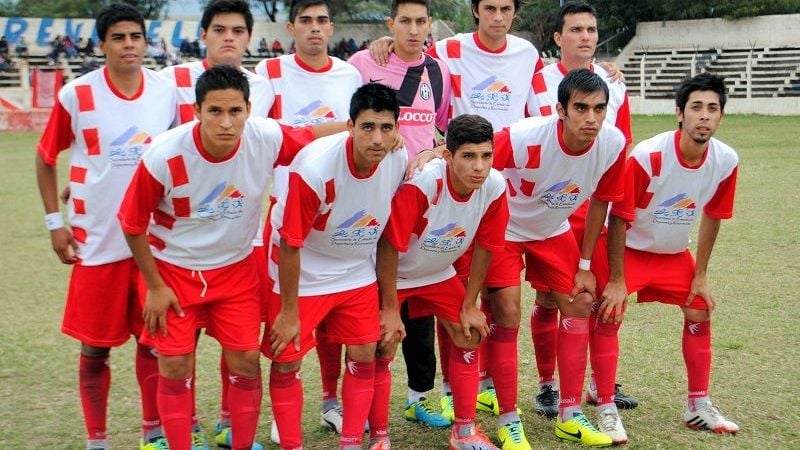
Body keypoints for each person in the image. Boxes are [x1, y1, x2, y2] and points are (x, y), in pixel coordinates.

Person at [118, 64, 341, 450]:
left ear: (248, 110)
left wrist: (364, 127)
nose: (226, 122)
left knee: (245, 364)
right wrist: (154, 286)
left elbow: (312, 135)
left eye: (235, 112)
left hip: (234, 272)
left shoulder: (265, 137)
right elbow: (132, 223)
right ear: (196, 112)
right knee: (174, 365)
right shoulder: (164, 154)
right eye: (215, 112)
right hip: (173, 272)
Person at [34, 4, 178, 450]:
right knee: (95, 348)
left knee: (153, 342)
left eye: (136, 36)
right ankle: (97, 440)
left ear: (145, 41)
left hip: (153, 243)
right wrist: (55, 223)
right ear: (102, 45)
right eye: (119, 37)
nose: (129, 45)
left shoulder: (165, 90)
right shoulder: (78, 94)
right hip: (97, 241)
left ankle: (152, 432)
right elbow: (44, 157)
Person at [264, 83, 407, 450]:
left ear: (397, 129)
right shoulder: (314, 169)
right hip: (304, 268)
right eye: (368, 127)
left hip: (354, 269)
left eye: (386, 128)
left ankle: (350, 443)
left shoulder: (398, 158)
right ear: (349, 126)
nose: (377, 138)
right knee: (286, 358)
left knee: (364, 353)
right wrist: (290, 311)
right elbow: (291, 243)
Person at [488, 68, 626, 448]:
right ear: (560, 110)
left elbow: (602, 200)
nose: (592, 118)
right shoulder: (524, 137)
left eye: (599, 109)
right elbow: (474, 163)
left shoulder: (612, 143)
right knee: (507, 313)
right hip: (506, 230)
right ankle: (508, 419)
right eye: (581, 108)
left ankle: (570, 413)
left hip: (553, 230)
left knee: (580, 302)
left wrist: (584, 266)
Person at [603, 73, 740, 439]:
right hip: (628, 248)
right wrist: (616, 280)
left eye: (713, 108)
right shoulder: (649, 156)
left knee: (700, 306)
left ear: (722, 116)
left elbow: (714, 215)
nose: (704, 116)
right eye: (696, 107)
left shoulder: (726, 160)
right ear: (680, 114)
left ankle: (697, 405)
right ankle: (604, 403)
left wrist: (702, 274)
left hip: (672, 253)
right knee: (607, 310)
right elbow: (618, 217)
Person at [525, 1, 638, 426]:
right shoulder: (537, 83)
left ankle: (597, 384)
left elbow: (621, 146)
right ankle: (547, 383)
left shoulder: (613, 83)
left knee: (598, 296)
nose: (585, 37)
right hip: (551, 209)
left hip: (596, 208)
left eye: (591, 29)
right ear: (558, 38)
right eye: (575, 30)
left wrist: (619, 208)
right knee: (548, 297)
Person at [254, 0, 362, 441]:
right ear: (291, 27)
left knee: (338, 318)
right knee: (287, 320)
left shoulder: (349, 75)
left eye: (321, 21)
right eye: (306, 21)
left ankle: (330, 402)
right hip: (286, 211)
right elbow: (256, 134)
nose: (315, 29)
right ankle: (284, 420)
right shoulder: (270, 72)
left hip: (338, 215)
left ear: (331, 27)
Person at [348, 0, 454, 431]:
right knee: (368, 301)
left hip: (416, 203)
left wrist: (429, 150)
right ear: (390, 24)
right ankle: (360, 403)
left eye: (421, 21)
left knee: (418, 301)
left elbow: (441, 127)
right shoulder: (362, 63)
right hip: (368, 200)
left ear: (430, 25)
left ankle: (416, 398)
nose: (413, 29)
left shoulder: (439, 71)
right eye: (404, 21)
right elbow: (348, 123)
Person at [375, 114, 508, 450]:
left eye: (486, 156)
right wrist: (390, 309)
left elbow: (487, 247)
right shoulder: (425, 183)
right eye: (468, 156)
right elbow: (388, 246)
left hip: (438, 275)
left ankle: (464, 432)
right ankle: (378, 436)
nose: (479, 166)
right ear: (447, 156)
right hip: (397, 275)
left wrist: (469, 304)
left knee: (470, 332)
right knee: (382, 340)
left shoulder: (494, 186)